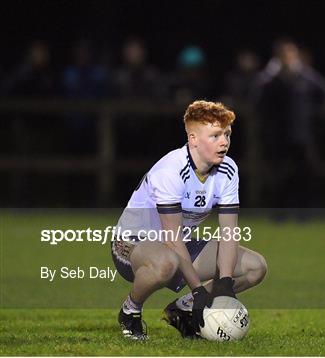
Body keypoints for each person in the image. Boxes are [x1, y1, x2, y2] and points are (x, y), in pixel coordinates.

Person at [112, 100, 267, 340]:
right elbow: (171, 240)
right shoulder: (171, 171)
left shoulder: (228, 169)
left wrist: (225, 283)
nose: (224, 142)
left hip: (177, 246)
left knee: (255, 268)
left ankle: (182, 309)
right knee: (166, 263)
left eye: (227, 134)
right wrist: (198, 290)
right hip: (132, 245)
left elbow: (229, 233)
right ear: (193, 139)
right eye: (215, 135)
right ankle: (130, 310)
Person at [252, 39, 325, 212]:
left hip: (301, 135)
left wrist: (315, 116)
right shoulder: (270, 80)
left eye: (290, 54)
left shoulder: (305, 76)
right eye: (283, 55)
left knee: (304, 174)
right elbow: (256, 99)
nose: (287, 58)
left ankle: (304, 211)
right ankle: (279, 211)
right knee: (278, 175)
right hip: (277, 135)